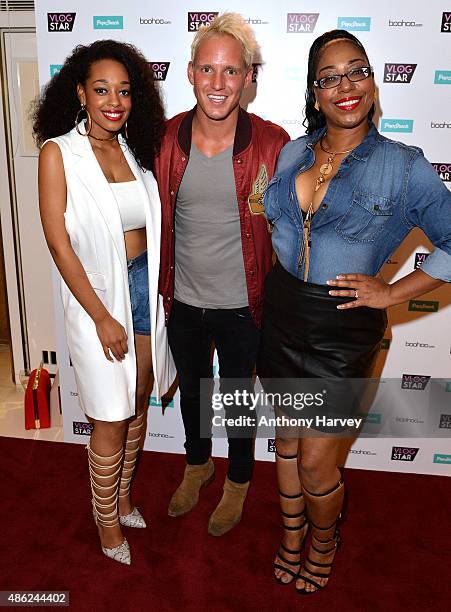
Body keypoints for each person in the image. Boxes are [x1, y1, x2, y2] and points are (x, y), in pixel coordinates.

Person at [258, 29, 451, 593]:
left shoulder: (404, 165)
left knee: (318, 462)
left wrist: (390, 292)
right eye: (330, 77)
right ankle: (292, 534)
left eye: (357, 70)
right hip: (285, 311)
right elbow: (280, 226)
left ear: (372, 83)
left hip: (344, 326)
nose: (346, 85)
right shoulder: (294, 151)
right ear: (315, 94)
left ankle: (324, 538)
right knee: (288, 441)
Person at [33, 40, 175, 565]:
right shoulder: (58, 152)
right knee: (109, 417)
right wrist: (100, 316)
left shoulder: (132, 150)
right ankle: (106, 521)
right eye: (101, 89)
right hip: (98, 298)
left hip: (143, 288)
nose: (114, 100)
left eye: (123, 90)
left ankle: (125, 497)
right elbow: (57, 240)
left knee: (137, 399)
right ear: (80, 93)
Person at [154, 13, 289, 536]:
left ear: (248, 77)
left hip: (244, 304)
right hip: (183, 300)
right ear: (189, 73)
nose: (217, 83)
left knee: (235, 400)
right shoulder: (162, 140)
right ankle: (196, 465)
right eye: (207, 69)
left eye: (230, 71)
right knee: (193, 391)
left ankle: (236, 482)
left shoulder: (274, 145)